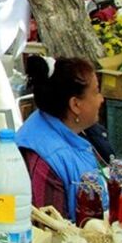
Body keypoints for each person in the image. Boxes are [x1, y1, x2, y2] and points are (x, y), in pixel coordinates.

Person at [15, 56, 108, 222]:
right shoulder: (47, 159)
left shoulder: (67, 126)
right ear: (75, 105)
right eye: (96, 92)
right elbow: (53, 232)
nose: (101, 99)